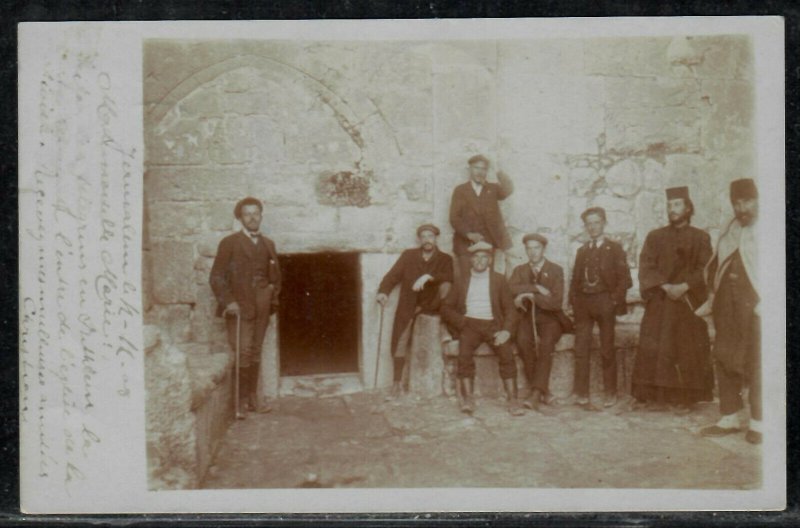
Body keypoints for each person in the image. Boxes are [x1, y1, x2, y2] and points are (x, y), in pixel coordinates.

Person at [632, 187, 714, 413]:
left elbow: (705, 268)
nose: (672, 209)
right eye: (669, 205)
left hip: (687, 302)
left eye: (677, 205)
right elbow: (646, 266)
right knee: (655, 347)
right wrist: (666, 286)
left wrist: (685, 286)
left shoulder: (701, 237)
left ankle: (684, 398)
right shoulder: (655, 236)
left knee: (686, 349)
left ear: (688, 208)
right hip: (660, 300)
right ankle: (655, 397)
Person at [699, 178, 761, 444]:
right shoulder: (731, 227)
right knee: (724, 354)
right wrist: (714, 296)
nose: (741, 207)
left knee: (757, 360)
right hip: (726, 302)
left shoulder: (772, 228)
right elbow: (718, 262)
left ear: (758, 199)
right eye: (736, 202)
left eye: (747, 201)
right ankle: (730, 416)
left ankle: (760, 422)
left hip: (755, 303)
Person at [210, 197, 281, 419]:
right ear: (240, 218)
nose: (252, 217)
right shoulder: (229, 243)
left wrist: (271, 294)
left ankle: (253, 397)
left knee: (256, 351)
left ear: (261, 215)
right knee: (243, 352)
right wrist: (228, 301)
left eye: (256, 213)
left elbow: (276, 276)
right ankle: (239, 402)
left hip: (262, 305)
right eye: (247, 214)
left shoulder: (268, 243)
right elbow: (216, 277)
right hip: (240, 306)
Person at [441, 241, 522, 416]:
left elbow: (510, 309)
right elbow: (446, 307)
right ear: (471, 260)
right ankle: (468, 398)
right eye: (476, 257)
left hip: (493, 325)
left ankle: (513, 399)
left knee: (506, 354)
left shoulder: (499, 280)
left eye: (484, 257)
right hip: (469, 324)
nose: (480, 260)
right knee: (464, 355)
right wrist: (462, 322)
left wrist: (506, 331)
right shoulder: (462, 280)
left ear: (490, 260)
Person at [376, 224, 454, 398]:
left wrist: (429, 277)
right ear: (419, 239)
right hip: (408, 305)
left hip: (431, 306)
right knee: (399, 341)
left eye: (431, 236)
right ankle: (396, 383)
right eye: (424, 236)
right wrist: (383, 291)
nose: (427, 240)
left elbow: (449, 277)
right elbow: (393, 275)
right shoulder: (409, 256)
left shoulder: (445, 259)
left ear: (436, 239)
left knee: (446, 286)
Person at [568, 207, 632, 409]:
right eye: (589, 223)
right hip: (584, 304)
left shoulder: (614, 249)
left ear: (604, 223)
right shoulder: (582, 250)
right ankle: (581, 393)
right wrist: (574, 303)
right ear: (585, 227)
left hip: (605, 301)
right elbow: (575, 280)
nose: (593, 227)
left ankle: (610, 392)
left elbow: (625, 279)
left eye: (596, 222)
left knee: (606, 348)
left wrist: (614, 300)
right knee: (581, 348)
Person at [509, 233, 568, 411]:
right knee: (522, 342)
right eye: (529, 248)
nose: (533, 252)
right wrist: (535, 288)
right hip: (527, 318)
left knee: (546, 344)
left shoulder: (556, 270)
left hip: (551, 318)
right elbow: (511, 288)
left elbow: (555, 302)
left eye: (537, 248)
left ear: (544, 249)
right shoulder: (519, 270)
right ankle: (544, 391)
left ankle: (535, 394)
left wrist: (530, 296)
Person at [449, 154, 514, 278]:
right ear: (470, 169)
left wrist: (497, 170)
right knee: (466, 279)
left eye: (484, 169)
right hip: (465, 244)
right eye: (476, 168)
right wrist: (469, 234)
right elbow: (454, 218)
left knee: (490, 279)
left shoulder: (492, 189)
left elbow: (508, 189)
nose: (480, 172)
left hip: (489, 243)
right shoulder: (460, 190)